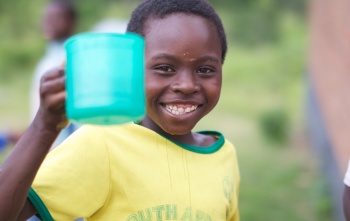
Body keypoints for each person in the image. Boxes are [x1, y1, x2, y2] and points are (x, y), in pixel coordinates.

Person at [0, 0, 240, 220]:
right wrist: (44, 126)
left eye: (206, 70)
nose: (186, 85)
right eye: (165, 67)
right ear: (131, 70)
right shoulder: (102, 144)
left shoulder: (224, 155)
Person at [30, 0, 79, 148]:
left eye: (56, 18)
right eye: (47, 18)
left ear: (72, 22)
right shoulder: (46, 61)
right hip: (45, 148)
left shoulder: (74, 59)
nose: (49, 23)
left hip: (65, 147)